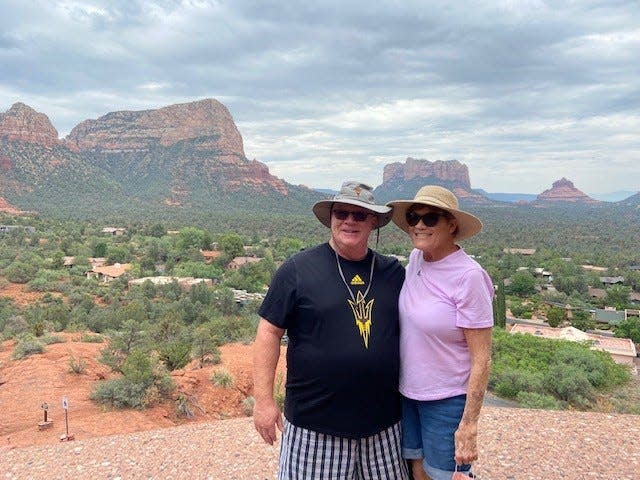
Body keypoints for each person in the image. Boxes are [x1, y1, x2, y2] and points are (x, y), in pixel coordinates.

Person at [253, 181, 409, 480]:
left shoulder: (393, 273)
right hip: (315, 426)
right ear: (331, 218)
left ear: (373, 221)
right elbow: (268, 332)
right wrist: (264, 400)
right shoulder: (298, 269)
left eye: (360, 215)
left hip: (384, 427)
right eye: (342, 213)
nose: (349, 220)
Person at [386, 185, 494, 480]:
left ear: (451, 224)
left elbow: (482, 359)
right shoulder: (416, 260)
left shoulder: (469, 277)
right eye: (413, 216)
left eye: (430, 218)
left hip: (447, 400)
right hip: (408, 394)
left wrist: (470, 424)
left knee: (446, 475)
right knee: (418, 470)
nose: (419, 224)